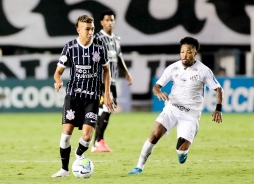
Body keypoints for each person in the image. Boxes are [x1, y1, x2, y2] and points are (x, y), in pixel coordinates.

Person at [128, 36, 224, 175]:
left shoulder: (203, 70)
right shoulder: (173, 68)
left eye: (189, 52)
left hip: (190, 115)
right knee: (154, 135)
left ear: (195, 53)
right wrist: (158, 92)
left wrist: (218, 109)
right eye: (182, 52)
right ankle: (139, 167)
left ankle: (183, 152)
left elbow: (218, 89)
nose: (185, 55)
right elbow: (156, 86)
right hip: (172, 108)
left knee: (181, 150)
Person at [51, 15, 115, 178]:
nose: (90, 32)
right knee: (66, 134)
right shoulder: (70, 47)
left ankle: (79, 155)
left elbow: (106, 70)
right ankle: (64, 169)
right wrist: (57, 81)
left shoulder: (100, 48)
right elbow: (58, 72)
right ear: (78, 29)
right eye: (87, 29)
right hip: (73, 97)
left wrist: (107, 94)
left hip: (92, 98)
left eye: (92, 28)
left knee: (87, 136)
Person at [91, 10, 133, 152]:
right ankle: (98, 141)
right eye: (107, 20)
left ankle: (97, 141)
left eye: (112, 20)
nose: (110, 22)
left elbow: (119, 58)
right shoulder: (97, 39)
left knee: (105, 109)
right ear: (102, 22)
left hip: (113, 81)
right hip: (101, 81)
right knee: (107, 108)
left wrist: (126, 73)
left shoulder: (116, 39)